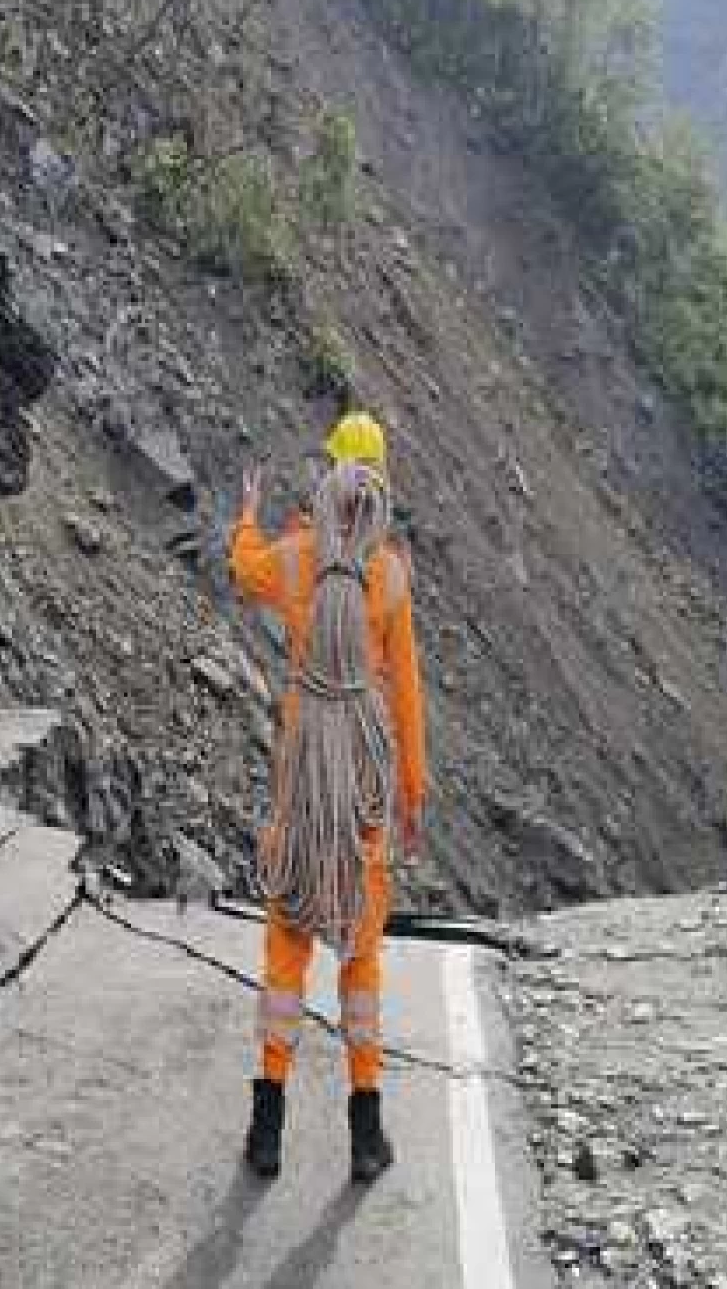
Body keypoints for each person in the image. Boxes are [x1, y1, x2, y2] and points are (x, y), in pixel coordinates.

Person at [229, 411, 427, 1185]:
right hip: (366, 790)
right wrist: (412, 792)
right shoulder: (391, 576)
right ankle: (366, 1130)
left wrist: (250, 515)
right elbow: (406, 694)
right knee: (361, 952)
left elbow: (243, 572)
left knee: (288, 938)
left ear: (330, 474)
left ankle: (267, 1126)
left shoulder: (297, 557)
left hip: (305, 776)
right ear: (378, 485)